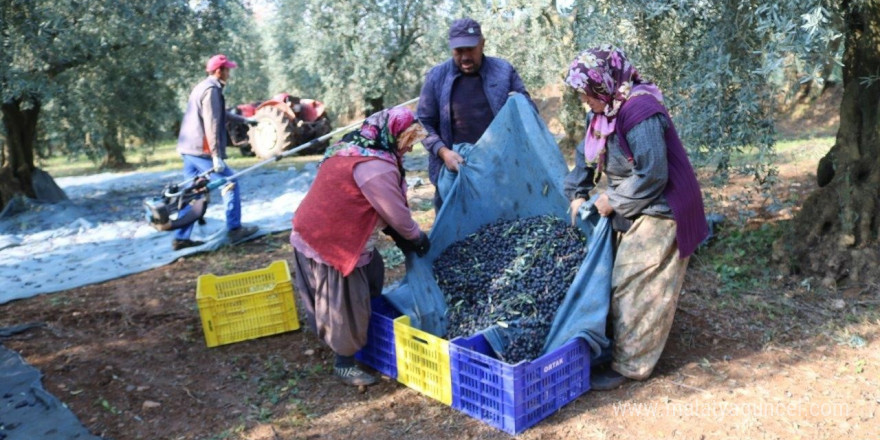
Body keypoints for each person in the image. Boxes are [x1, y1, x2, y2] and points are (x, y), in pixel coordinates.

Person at [563, 46, 709, 390]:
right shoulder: (599, 113)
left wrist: (612, 200)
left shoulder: (639, 110)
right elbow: (583, 164)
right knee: (613, 275)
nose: (584, 99)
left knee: (634, 280)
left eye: (586, 91)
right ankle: (622, 341)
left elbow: (653, 174)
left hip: (665, 205)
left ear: (603, 83)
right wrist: (578, 194)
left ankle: (631, 365)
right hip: (637, 201)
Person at [290, 107, 430, 387]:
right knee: (346, 303)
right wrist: (416, 239)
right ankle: (344, 362)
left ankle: (364, 327)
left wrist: (402, 236)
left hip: (313, 229)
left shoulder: (353, 148)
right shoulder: (375, 167)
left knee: (374, 272)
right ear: (392, 134)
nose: (411, 147)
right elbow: (397, 215)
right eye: (408, 139)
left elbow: (374, 205)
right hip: (334, 242)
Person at [417, 17, 535, 211]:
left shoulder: (503, 71)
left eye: (470, 49)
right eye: (458, 51)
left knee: (500, 229)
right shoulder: (437, 77)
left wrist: (519, 103)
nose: (464, 57)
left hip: (500, 170)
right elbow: (422, 123)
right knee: (455, 233)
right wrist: (443, 152)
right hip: (455, 170)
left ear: (482, 44)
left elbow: (529, 110)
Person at [174, 54, 258, 251]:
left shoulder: (203, 86)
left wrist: (244, 121)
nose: (229, 73)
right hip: (201, 150)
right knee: (230, 182)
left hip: (188, 148)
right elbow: (212, 123)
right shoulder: (212, 90)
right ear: (219, 71)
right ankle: (235, 229)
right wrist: (215, 156)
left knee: (192, 192)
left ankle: (181, 237)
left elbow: (219, 114)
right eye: (227, 69)